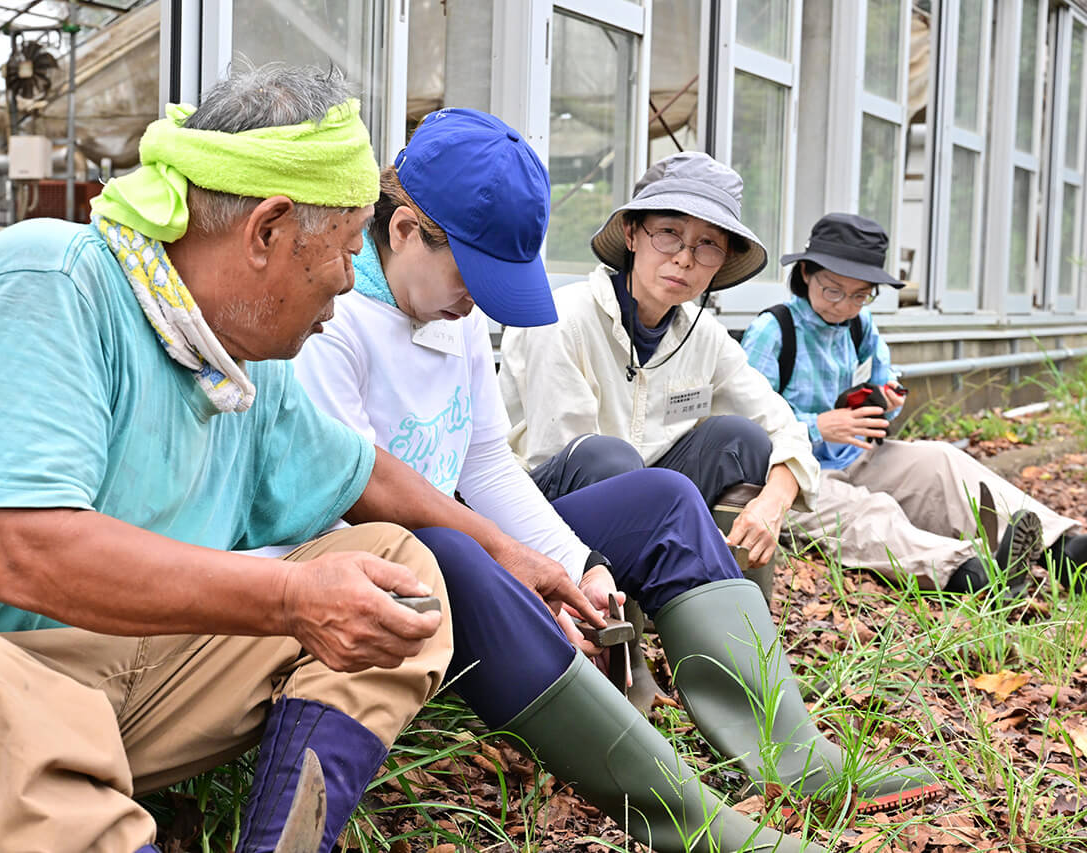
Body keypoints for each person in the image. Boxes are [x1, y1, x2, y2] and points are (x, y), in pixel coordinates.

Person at [0, 65, 599, 853]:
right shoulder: (50, 283)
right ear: (268, 230)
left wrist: (508, 552)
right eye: (336, 265)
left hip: (95, 685)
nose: (338, 305)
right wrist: (290, 595)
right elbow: (31, 555)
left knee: (402, 570)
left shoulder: (244, 367)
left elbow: (368, 478)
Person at [291, 108, 939, 849]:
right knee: (464, 553)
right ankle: (694, 825)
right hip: (382, 561)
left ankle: (790, 752)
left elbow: (485, 461)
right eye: (474, 276)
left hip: (459, 534)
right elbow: (360, 484)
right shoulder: (329, 317)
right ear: (405, 229)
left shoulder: (453, 307)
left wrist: (579, 565)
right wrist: (522, 561)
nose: (478, 301)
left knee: (666, 498)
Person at [498, 152, 820, 589]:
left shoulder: (703, 336)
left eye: (708, 245)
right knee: (606, 458)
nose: (685, 259)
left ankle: (734, 621)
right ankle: (611, 626)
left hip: (650, 512)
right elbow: (564, 458)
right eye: (669, 234)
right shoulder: (560, 319)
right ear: (632, 234)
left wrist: (774, 502)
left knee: (740, 440)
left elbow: (786, 428)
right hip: (546, 517)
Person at [740, 212, 1086, 593]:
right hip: (789, 476)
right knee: (866, 512)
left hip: (856, 456)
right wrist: (817, 426)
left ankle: (1063, 550)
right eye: (833, 290)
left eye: (860, 295)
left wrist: (888, 399)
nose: (844, 306)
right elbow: (745, 426)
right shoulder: (772, 331)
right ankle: (971, 575)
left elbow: (887, 380)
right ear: (805, 272)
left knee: (942, 460)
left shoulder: (860, 324)